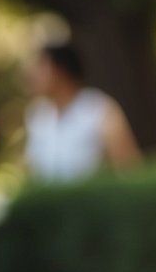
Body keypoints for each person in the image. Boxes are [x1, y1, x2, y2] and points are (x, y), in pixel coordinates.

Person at [23, 42, 141, 181]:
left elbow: (130, 170)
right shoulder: (37, 116)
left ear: (62, 70)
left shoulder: (99, 110)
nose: (33, 74)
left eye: (41, 65)